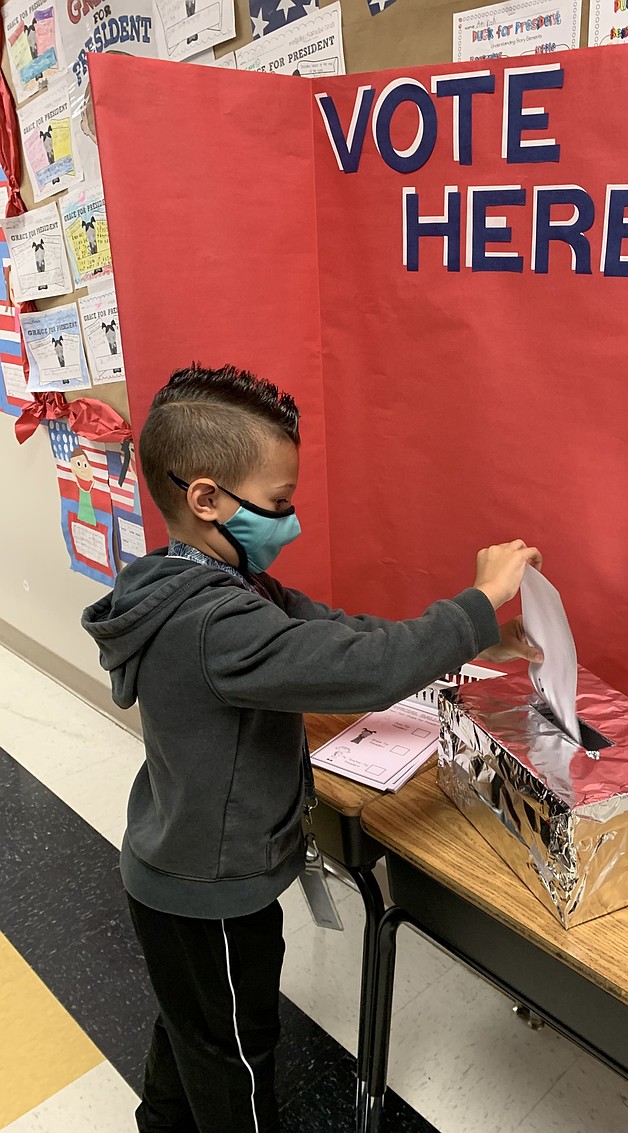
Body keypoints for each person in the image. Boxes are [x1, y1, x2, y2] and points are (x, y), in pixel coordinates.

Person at [82, 364, 542, 1133]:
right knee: (236, 1052)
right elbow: (366, 670)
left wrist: (477, 638)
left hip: (182, 867)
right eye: (277, 504)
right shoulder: (214, 623)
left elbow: (338, 635)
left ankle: (161, 1120)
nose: (289, 523)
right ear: (205, 498)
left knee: (194, 1024)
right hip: (206, 891)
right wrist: (479, 600)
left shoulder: (208, 580)